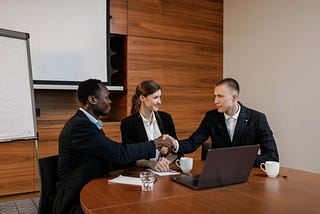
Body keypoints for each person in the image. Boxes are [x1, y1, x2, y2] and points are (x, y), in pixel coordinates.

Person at [52, 79, 174, 214]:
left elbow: (111, 154)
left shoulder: (89, 124)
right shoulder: (79, 126)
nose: (110, 101)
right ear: (92, 100)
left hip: (92, 185)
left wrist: (145, 163)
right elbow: (118, 153)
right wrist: (155, 144)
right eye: (107, 97)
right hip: (75, 198)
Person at [167, 78, 279, 166]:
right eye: (215, 96)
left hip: (248, 176)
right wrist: (174, 143)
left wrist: (236, 160)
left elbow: (272, 156)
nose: (215, 101)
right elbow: (192, 143)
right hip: (218, 176)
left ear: (234, 98)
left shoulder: (257, 118)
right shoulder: (211, 117)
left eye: (220, 96)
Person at [120, 80, 178, 172]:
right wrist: (151, 164)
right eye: (155, 97)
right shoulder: (128, 123)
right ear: (142, 98)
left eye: (160, 97)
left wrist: (166, 161)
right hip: (141, 174)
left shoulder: (166, 118)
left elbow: (177, 150)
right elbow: (129, 157)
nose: (159, 101)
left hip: (165, 172)